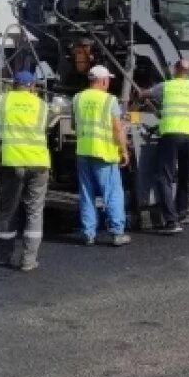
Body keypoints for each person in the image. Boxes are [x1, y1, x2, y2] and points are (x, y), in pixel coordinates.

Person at [0, 70, 51, 271]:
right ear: (32, 86)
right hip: (39, 162)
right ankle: (28, 260)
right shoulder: (42, 105)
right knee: (34, 211)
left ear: (13, 85)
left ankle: (3, 256)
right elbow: (43, 129)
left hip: (13, 162)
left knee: (9, 210)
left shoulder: (3, 101)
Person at [73, 66, 131, 246]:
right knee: (112, 193)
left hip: (83, 152)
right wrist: (124, 150)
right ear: (104, 81)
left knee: (86, 193)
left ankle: (88, 233)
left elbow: (75, 125)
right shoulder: (110, 100)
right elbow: (117, 128)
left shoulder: (78, 98)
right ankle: (116, 232)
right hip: (104, 154)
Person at [146, 59, 189, 235]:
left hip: (171, 134)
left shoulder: (166, 86)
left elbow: (145, 94)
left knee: (164, 176)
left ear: (175, 69)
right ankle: (181, 212)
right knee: (186, 175)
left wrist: (141, 92)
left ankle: (171, 220)